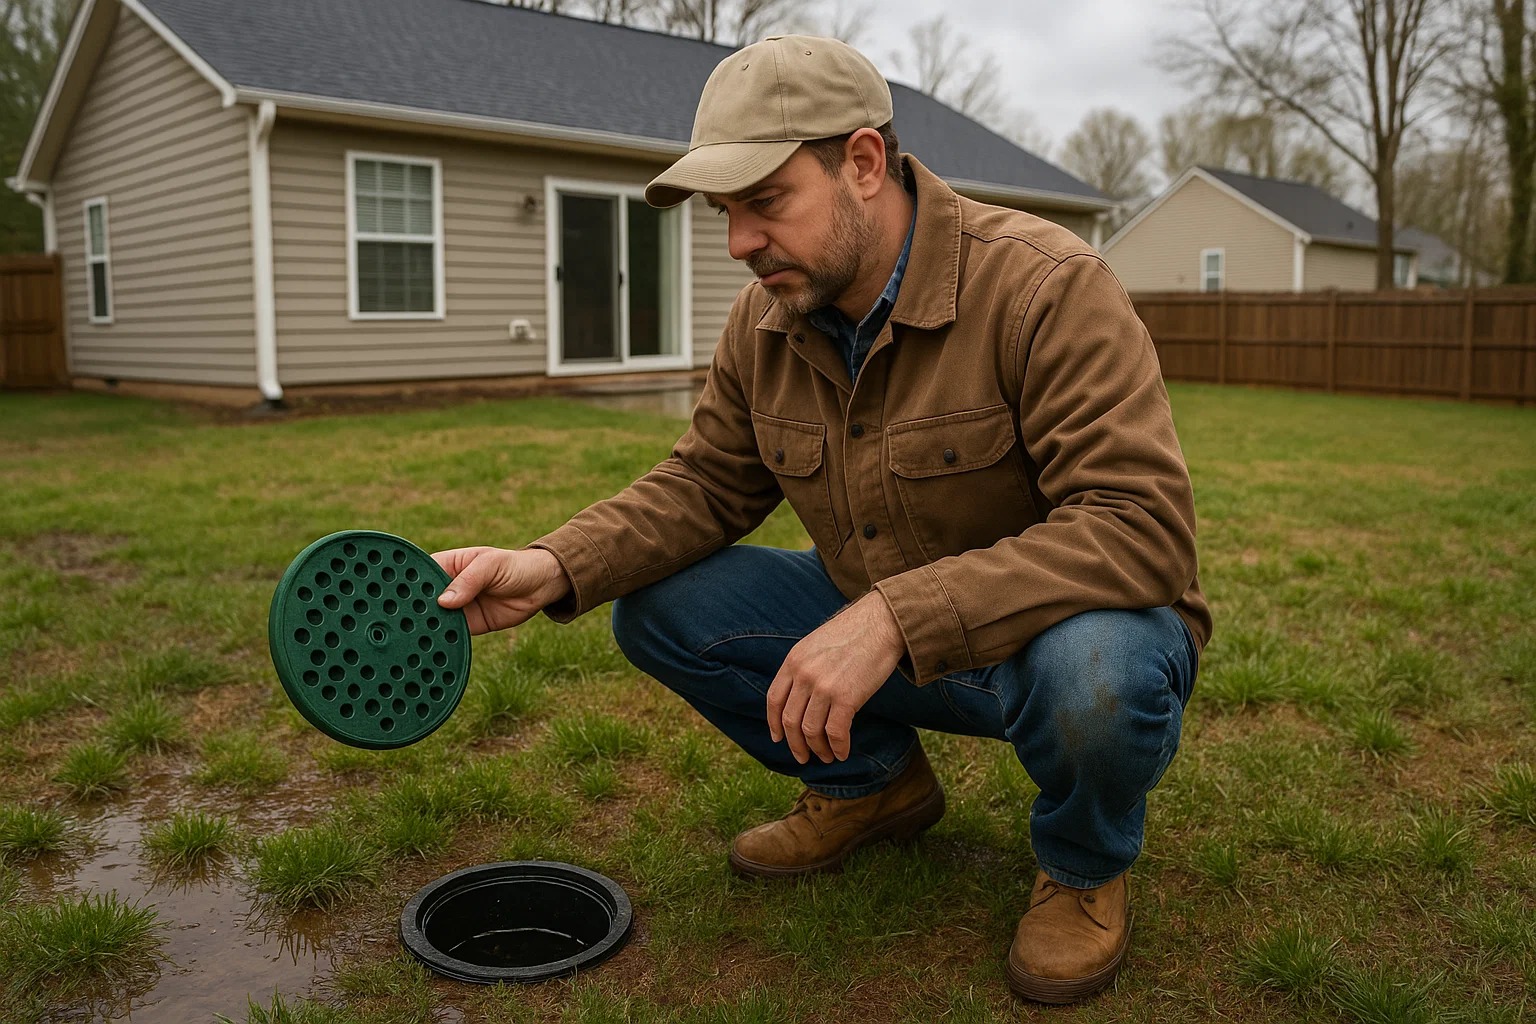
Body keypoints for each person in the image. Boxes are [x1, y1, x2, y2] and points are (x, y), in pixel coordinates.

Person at [433, 34, 1210, 1004]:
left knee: (1098, 675)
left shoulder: (1043, 286)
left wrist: (891, 618)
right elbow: (705, 484)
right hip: (886, 634)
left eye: (765, 203)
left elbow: (1141, 524)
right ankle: (875, 787)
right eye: (726, 213)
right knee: (658, 605)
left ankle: (1084, 866)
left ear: (864, 163)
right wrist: (552, 563)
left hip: (1056, 640)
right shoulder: (764, 321)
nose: (738, 243)